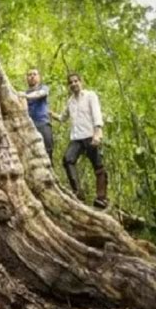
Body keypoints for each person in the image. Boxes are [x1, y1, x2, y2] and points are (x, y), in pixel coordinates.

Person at [51, 73, 108, 208]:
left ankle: (101, 198)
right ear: (69, 86)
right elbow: (63, 117)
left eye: (76, 81)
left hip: (90, 135)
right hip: (76, 138)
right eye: (71, 82)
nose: (74, 84)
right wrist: (50, 114)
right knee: (68, 160)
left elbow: (96, 113)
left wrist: (98, 132)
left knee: (98, 167)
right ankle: (78, 193)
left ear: (81, 82)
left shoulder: (90, 96)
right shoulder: (70, 101)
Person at [19, 68, 54, 163]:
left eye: (34, 74)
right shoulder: (24, 93)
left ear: (39, 77)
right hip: (29, 126)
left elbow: (40, 94)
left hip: (43, 124)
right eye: (29, 75)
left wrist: (25, 96)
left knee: (47, 151)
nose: (32, 76)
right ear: (26, 78)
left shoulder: (44, 88)